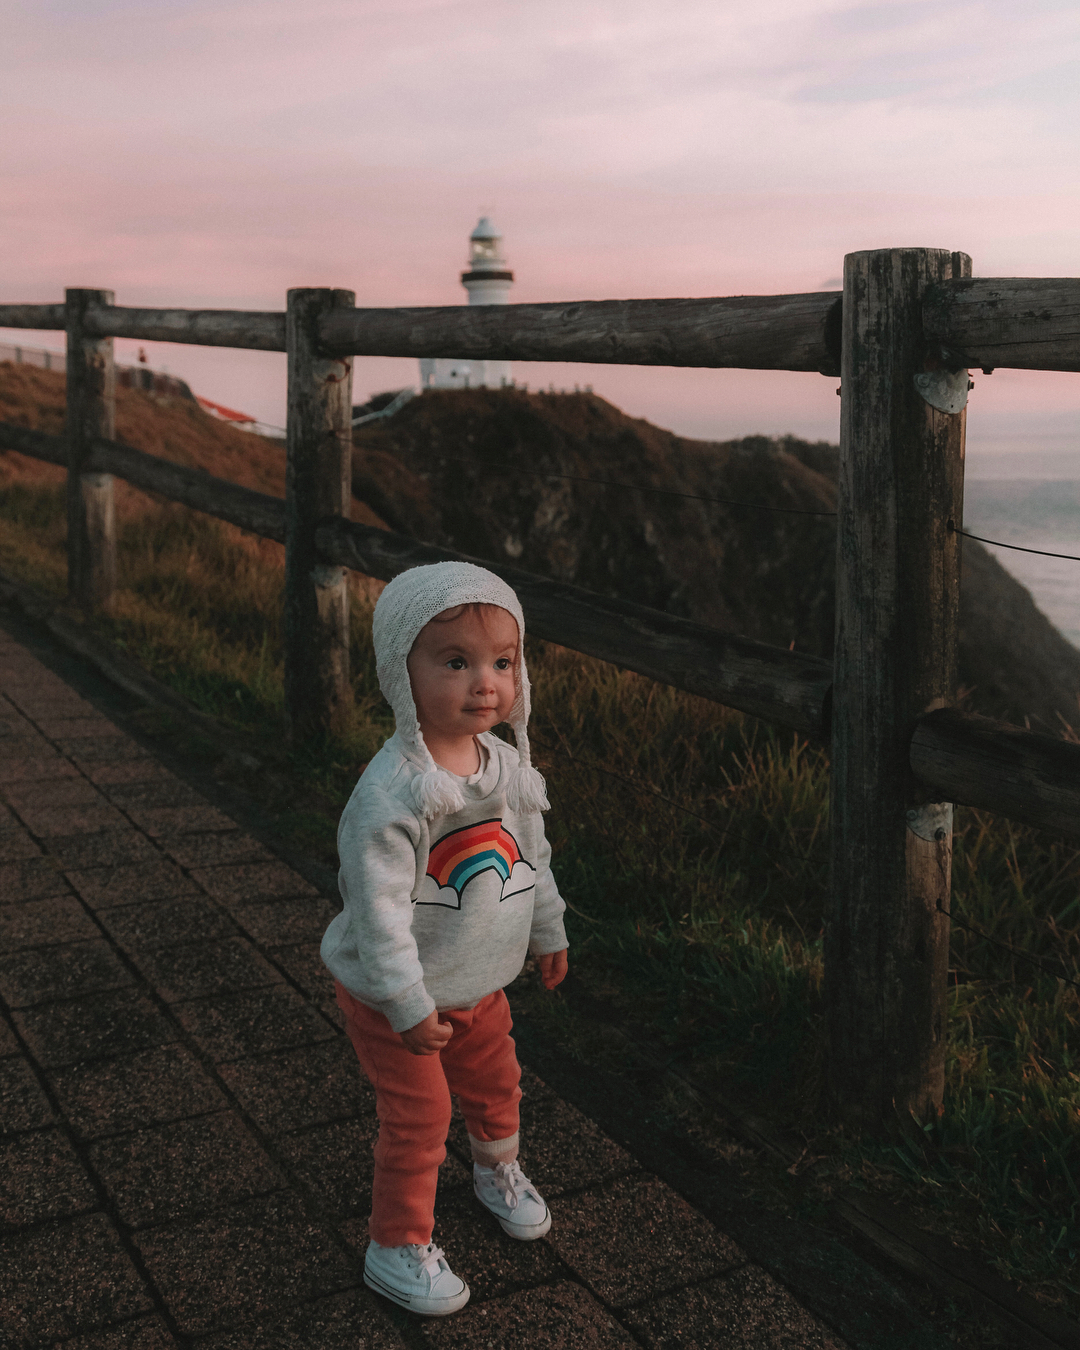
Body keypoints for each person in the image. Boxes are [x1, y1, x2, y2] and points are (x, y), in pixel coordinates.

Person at [321, 561, 569, 1317]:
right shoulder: (394, 790)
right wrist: (404, 1002)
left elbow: (534, 857)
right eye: (455, 662)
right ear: (402, 673)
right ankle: (394, 1243)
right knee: (421, 1116)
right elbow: (377, 909)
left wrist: (548, 927)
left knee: (498, 1085)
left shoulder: (507, 767)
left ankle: (496, 1171)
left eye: (502, 662)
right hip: (397, 993)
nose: (484, 684)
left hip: (478, 980)